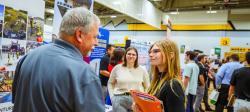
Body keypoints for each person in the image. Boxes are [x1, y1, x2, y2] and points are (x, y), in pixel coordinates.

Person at [12, 7, 104, 112]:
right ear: (79, 35)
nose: (96, 42)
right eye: (95, 37)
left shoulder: (28, 57)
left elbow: (17, 100)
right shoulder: (84, 74)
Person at [134, 39, 185, 112]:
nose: (150, 55)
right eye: (150, 52)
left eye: (156, 51)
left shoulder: (173, 85)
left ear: (171, 55)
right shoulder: (157, 80)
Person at [108, 47, 150, 112]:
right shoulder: (117, 68)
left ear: (136, 57)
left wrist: (144, 99)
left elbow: (147, 86)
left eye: (133, 54)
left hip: (137, 100)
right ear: (125, 55)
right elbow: (110, 83)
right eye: (129, 54)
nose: (131, 56)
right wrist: (112, 97)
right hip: (119, 99)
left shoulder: (142, 70)